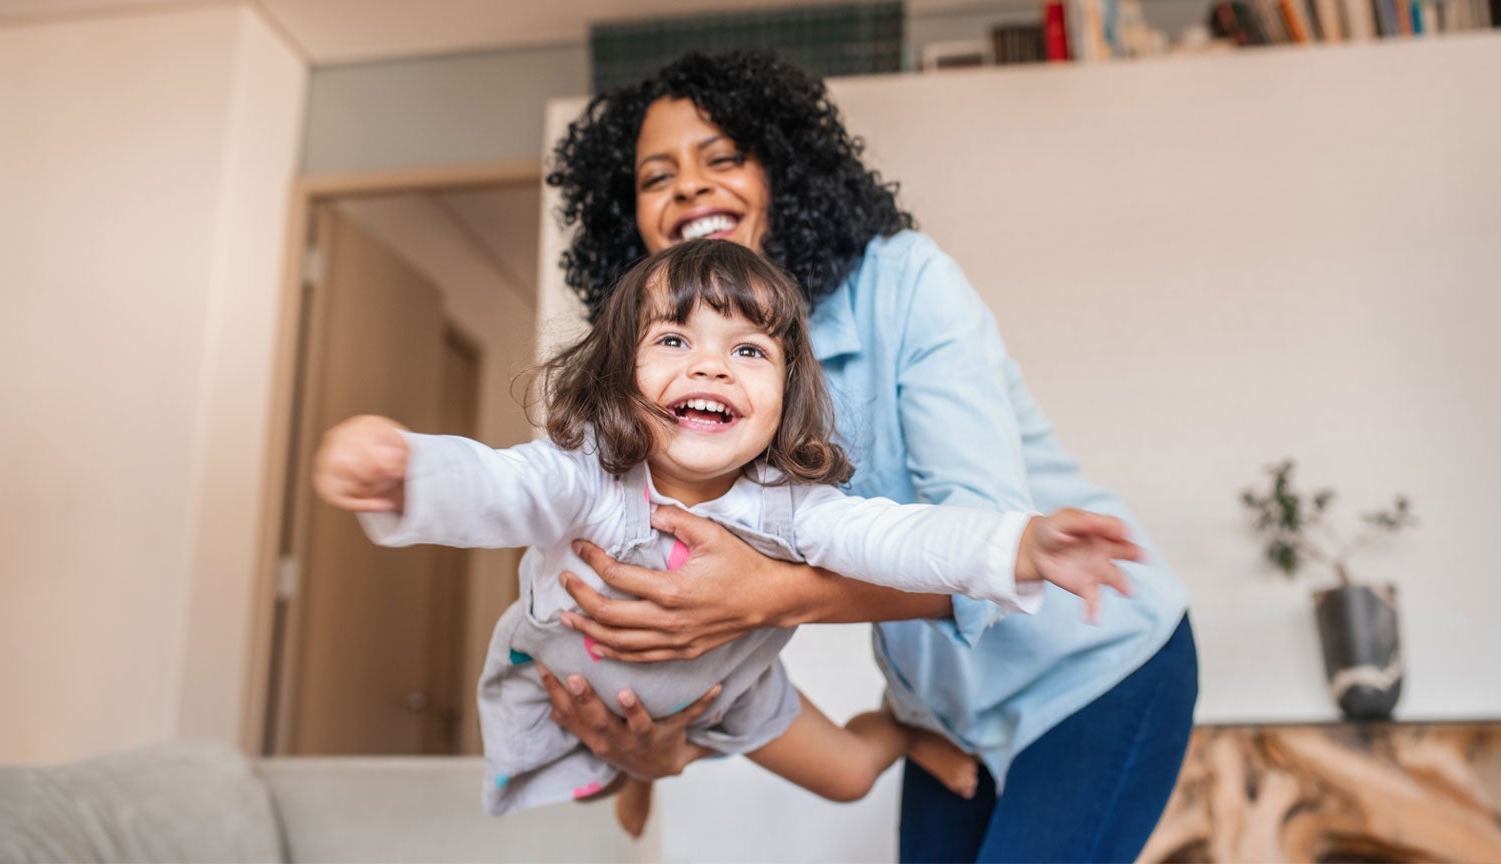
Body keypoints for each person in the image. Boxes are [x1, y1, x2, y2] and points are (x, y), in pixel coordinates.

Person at [538, 51, 1199, 862]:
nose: (689, 188)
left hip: (1096, 668)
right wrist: (655, 753)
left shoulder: (909, 284)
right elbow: (687, 596)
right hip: (943, 715)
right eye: (655, 177)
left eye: (724, 157)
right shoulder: (682, 383)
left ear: (784, 170)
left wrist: (773, 596)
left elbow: (981, 539)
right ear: (627, 218)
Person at [310, 239, 1145, 835]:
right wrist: (406, 473)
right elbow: (499, 483)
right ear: (618, 376)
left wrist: (1021, 546)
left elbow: (904, 536)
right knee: (599, 771)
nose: (710, 366)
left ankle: (897, 730)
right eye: (674, 340)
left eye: (746, 351)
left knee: (851, 779)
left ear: (785, 397)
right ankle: (648, 777)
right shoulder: (588, 477)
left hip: (731, 689)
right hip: (587, 680)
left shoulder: (794, 506)